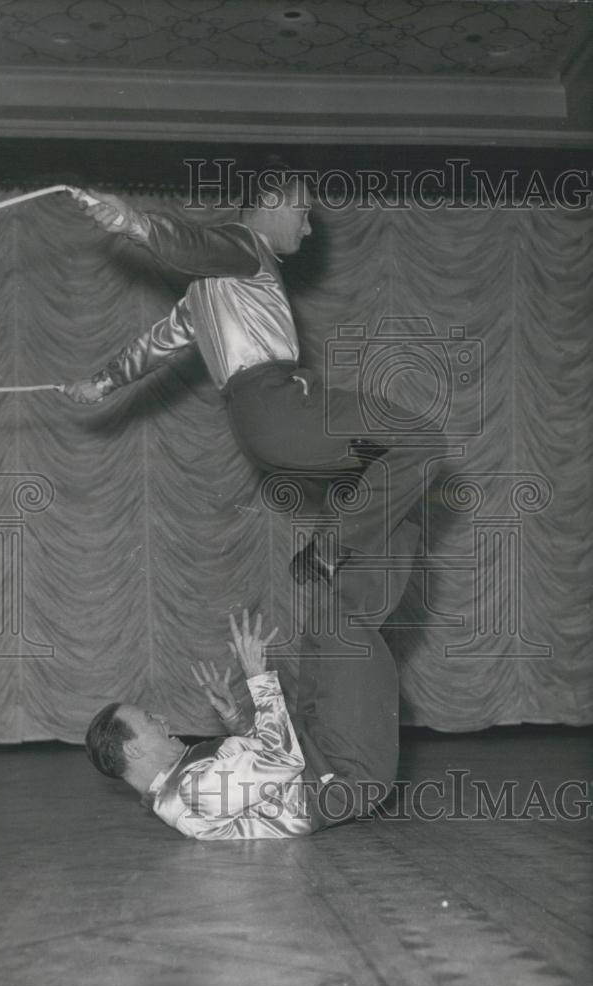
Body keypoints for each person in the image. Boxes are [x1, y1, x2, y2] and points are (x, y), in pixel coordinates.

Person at [62, 168, 447, 583]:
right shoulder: (244, 247)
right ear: (269, 204)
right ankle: (331, 552)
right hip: (281, 408)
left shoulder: (205, 290)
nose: (309, 228)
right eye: (302, 213)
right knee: (422, 438)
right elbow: (196, 242)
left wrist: (101, 383)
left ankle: (335, 562)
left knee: (381, 466)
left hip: (256, 432)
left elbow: (157, 343)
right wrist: (134, 223)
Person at [85, 610, 396, 839]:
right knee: (344, 623)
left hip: (316, 748)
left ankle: (383, 529)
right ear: (134, 748)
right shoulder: (193, 794)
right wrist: (257, 677)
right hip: (346, 773)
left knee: (325, 622)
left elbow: (259, 771)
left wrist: (235, 718)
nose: (163, 719)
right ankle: (377, 528)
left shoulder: (178, 782)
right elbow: (283, 761)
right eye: (150, 720)